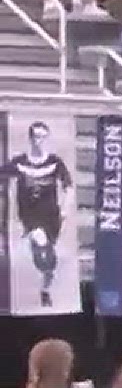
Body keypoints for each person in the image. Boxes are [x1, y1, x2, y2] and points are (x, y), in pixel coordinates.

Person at [1, 120, 75, 308]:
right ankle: (44, 268)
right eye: (36, 137)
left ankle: (46, 284)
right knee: (39, 239)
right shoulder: (20, 163)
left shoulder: (54, 162)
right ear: (30, 138)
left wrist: (65, 208)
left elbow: (69, 186)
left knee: (47, 253)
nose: (38, 141)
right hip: (30, 214)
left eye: (42, 137)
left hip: (51, 214)